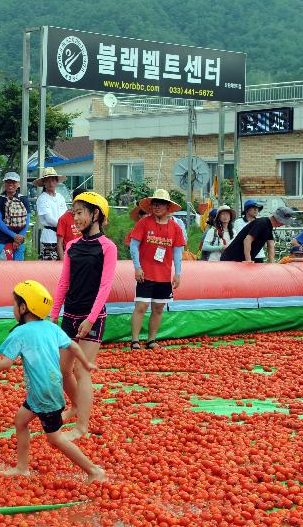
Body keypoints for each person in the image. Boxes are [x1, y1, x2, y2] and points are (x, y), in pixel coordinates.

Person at [0, 281, 104, 483]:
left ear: (24, 308)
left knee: (55, 438)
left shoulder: (20, 332)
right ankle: (22, 468)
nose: (13, 308)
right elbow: (74, 347)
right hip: (47, 389)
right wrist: (86, 363)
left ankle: (93, 471)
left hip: (43, 394)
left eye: (15, 304)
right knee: (21, 421)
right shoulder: (52, 328)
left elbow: (6, 363)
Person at [49, 192, 115, 441]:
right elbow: (63, 283)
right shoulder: (71, 246)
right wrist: (54, 315)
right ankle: (76, 406)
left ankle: (82, 426)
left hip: (93, 317)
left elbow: (105, 286)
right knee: (63, 369)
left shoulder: (107, 247)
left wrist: (91, 319)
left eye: (80, 212)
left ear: (95, 214)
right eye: (73, 212)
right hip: (70, 315)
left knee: (82, 371)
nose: (75, 218)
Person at [128, 189, 185, 350]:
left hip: (164, 276)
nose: (157, 206)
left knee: (158, 308)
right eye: (154, 204)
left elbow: (177, 252)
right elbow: (134, 246)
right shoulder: (144, 223)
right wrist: (137, 267)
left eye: (160, 204)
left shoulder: (175, 227)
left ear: (168, 207)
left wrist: (178, 273)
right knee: (141, 306)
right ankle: (135, 341)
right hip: (145, 274)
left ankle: (151, 340)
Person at [221, 206, 295, 263]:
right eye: (283, 222)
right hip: (231, 258)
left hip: (240, 260)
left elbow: (271, 245)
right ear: (278, 219)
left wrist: (272, 263)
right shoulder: (261, 223)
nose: (282, 225)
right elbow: (247, 240)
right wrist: (248, 260)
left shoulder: (269, 226)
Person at [0, 172, 31, 261]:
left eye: (14, 182)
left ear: (18, 184)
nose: (11, 184)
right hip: (1, 236)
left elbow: (27, 220)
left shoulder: (24, 199)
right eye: (8, 181)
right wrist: (14, 236)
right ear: (4, 183)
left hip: (20, 237)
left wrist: (18, 238)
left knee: (19, 267)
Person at [34, 168, 67, 261]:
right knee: (49, 266)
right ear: (44, 183)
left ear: (56, 181)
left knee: (64, 265)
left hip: (63, 236)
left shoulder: (60, 197)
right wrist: (63, 226)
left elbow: (65, 214)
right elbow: (48, 218)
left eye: (53, 180)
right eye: (48, 181)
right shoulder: (42, 198)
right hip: (50, 237)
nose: (50, 183)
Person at [56, 188, 84, 259]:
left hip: (85, 256)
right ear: (74, 201)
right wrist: (63, 262)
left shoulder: (88, 218)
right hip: (70, 257)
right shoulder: (63, 219)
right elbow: (59, 243)